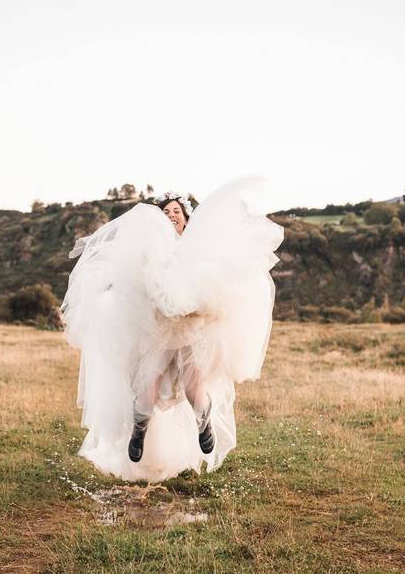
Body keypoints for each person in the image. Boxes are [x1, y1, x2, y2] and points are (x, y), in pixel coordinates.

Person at [61, 176, 284, 482]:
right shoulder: (148, 252)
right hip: (155, 331)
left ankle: (204, 422)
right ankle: (139, 429)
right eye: (165, 212)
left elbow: (217, 281)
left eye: (176, 210)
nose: (170, 214)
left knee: (193, 383)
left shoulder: (198, 250)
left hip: (189, 330)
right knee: (147, 385)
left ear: (186, 217)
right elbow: (128, 279)